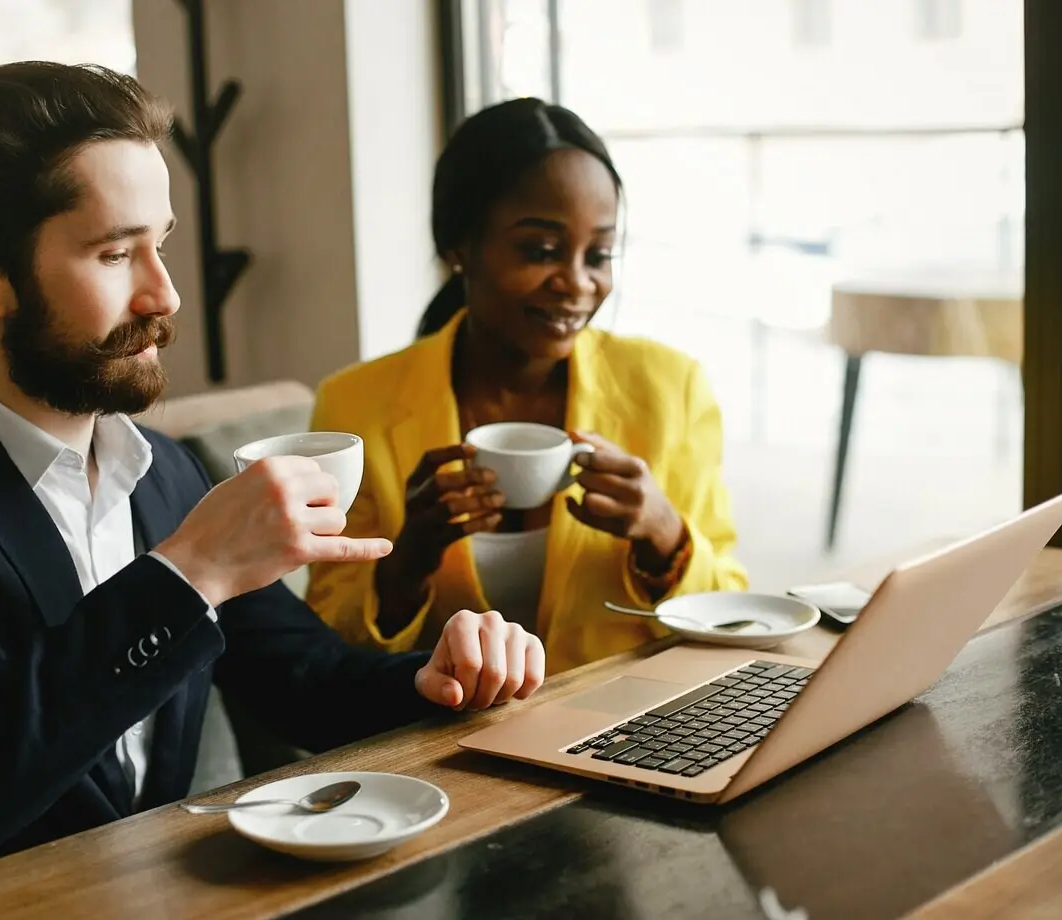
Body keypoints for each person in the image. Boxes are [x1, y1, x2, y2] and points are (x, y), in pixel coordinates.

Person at [0, 62, 543, 894]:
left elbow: (304, 681)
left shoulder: (163, 469)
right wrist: (189, 574)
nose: (165, 293)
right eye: (115, 255)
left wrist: (438, 677)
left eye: (162, 244)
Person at [307, 98, 747, 675]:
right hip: (445, 740)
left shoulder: (671, 388)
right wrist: (409, 559)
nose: (577, 282)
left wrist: (665, 536)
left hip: (627, 728)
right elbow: (326, 649)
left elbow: (733, 611)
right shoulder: (356, 405)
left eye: (600, 254)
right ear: (459, 246)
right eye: (541, 250)